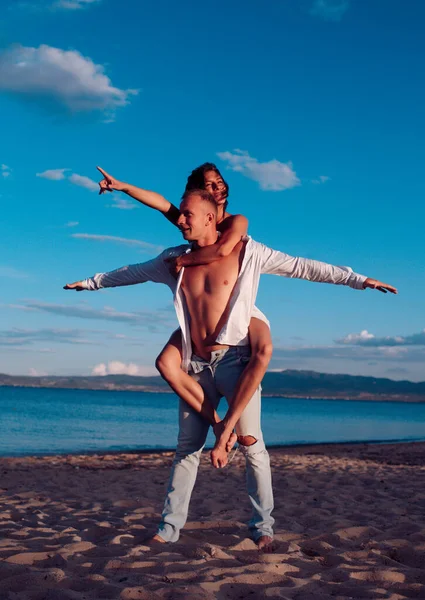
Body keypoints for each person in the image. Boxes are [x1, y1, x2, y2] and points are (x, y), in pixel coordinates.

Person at [64, 188, 397, 550]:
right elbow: (132, 272)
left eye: (187, 215)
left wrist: (358, 279)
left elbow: (303, 266)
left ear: (210, 217)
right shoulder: (173, 260)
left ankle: (263, 527)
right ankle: (169, 527)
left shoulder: (247, 252)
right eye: (180, 215)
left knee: (253, 447)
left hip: (235, 360)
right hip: (195, 364)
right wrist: (91, 283)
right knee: (187, 448)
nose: (179, 220)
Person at [97, 163, 273, 459]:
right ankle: (218, 424)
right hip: (201, 313)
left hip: (238, 307)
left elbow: (221, 251)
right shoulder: (191, 220)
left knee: (263, 351)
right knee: (165, 362)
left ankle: (233, 427)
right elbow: (162, 205)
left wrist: (183, 262)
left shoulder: (234, 222)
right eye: (209, 185)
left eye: (220, 183)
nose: (217, 189)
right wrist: (124, 187)